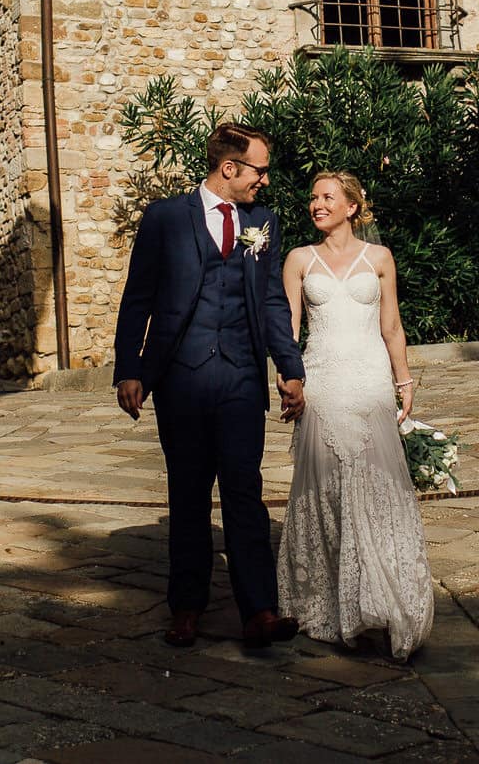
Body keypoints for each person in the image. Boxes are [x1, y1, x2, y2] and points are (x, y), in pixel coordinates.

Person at [112, 122, 308, 649]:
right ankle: (187, 609)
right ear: (230, 168)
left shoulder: (262, 222)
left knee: (245, 491)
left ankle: (259, 611)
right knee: (189, 494)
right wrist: (129, 369)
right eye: (258, 171)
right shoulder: (165, 218)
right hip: (181, 378)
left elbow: (271, 302)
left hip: (242, 377)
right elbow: (139, 298)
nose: (264, 182)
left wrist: (290, 368)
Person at [275, 172, 434, 659]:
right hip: (321, 385)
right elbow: (288, 329)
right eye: (313, 198)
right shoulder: (299, 260)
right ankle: (331, 601)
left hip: (369, 383)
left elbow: (392, 328)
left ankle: (387, 598)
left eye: (326, 198)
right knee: (326, 490)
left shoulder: (379, 258)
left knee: (378, 487)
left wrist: (403, 381)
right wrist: (287, 381)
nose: (316, 204)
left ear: (351, 207)